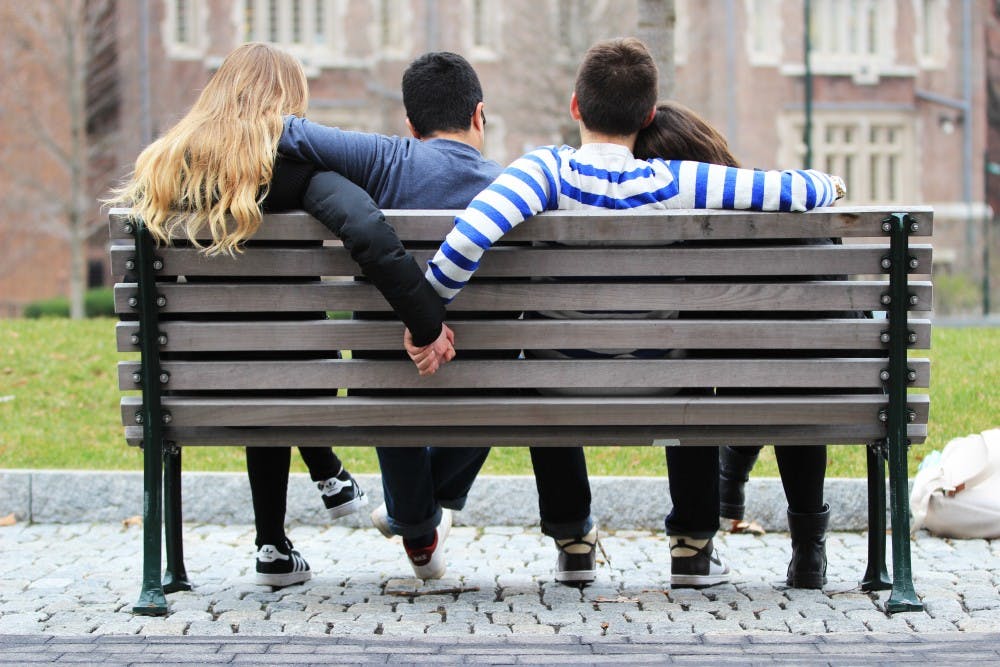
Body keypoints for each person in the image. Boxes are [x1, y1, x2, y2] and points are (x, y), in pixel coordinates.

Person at [421, 38, 846, 588]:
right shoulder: (675, 179)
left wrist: (426, 318)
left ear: (575, 106)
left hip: (561, 385)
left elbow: (464, 242)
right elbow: (790, 191)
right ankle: (692, 547)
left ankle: (573, 541)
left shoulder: (544, 171)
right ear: (648, 116)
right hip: (661, 384)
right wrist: (831, 183)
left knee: (536, 365)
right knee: (692, 366)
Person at [108, 43, 451, 588]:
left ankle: (272, 543)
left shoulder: (164, 168)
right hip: (301, 376)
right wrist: (427, 323)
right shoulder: (293, 170)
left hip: (195, 381)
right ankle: (321, 477)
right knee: (279, 358)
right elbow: (367, 231)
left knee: (257, 356)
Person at [278, 51, 598, 584]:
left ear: (410, 125)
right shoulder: (517, 190)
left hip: (385, 381)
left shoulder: (383, 160)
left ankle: (415, 520)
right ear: (479, 114)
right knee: (511, 367)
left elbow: (286, 132)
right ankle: (429, 516)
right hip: (486, 386)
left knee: (384, 369)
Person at [633, 100, 835, 589]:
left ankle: (714, 508)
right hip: (814, 380)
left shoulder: (666, 230)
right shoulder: (783, 201)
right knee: (791, 376)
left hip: (712, 378)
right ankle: (809, 550)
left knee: (696, 375)